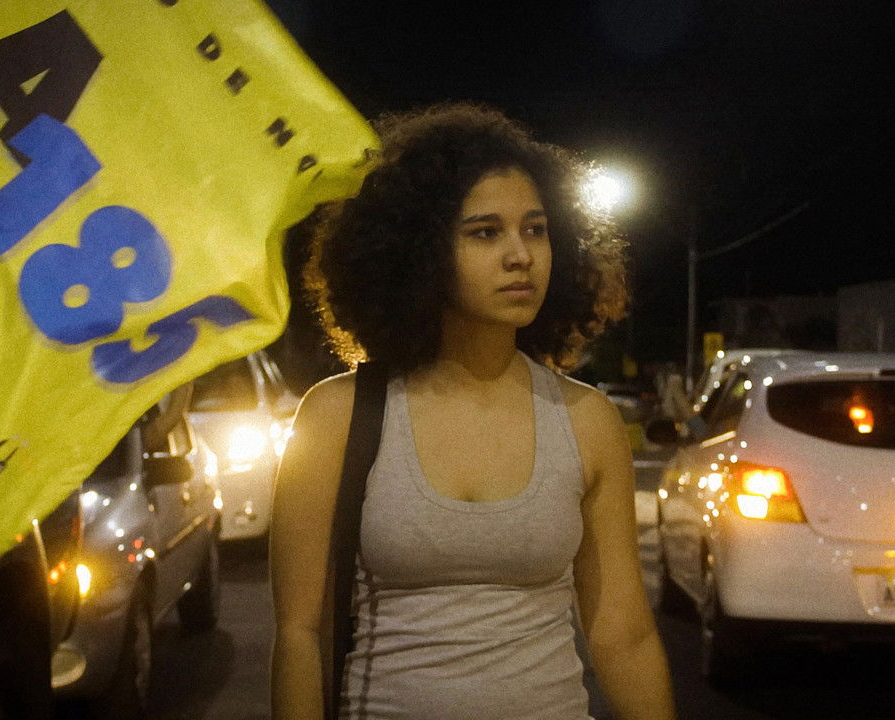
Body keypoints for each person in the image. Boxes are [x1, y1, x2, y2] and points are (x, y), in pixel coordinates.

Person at [269, 102, 677, 720]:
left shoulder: (585, 418)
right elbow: (300, 634)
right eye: (485, 233)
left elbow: (624, 635)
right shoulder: (337, 416)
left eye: (535, 230)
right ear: (419, 250)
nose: (521, 255)